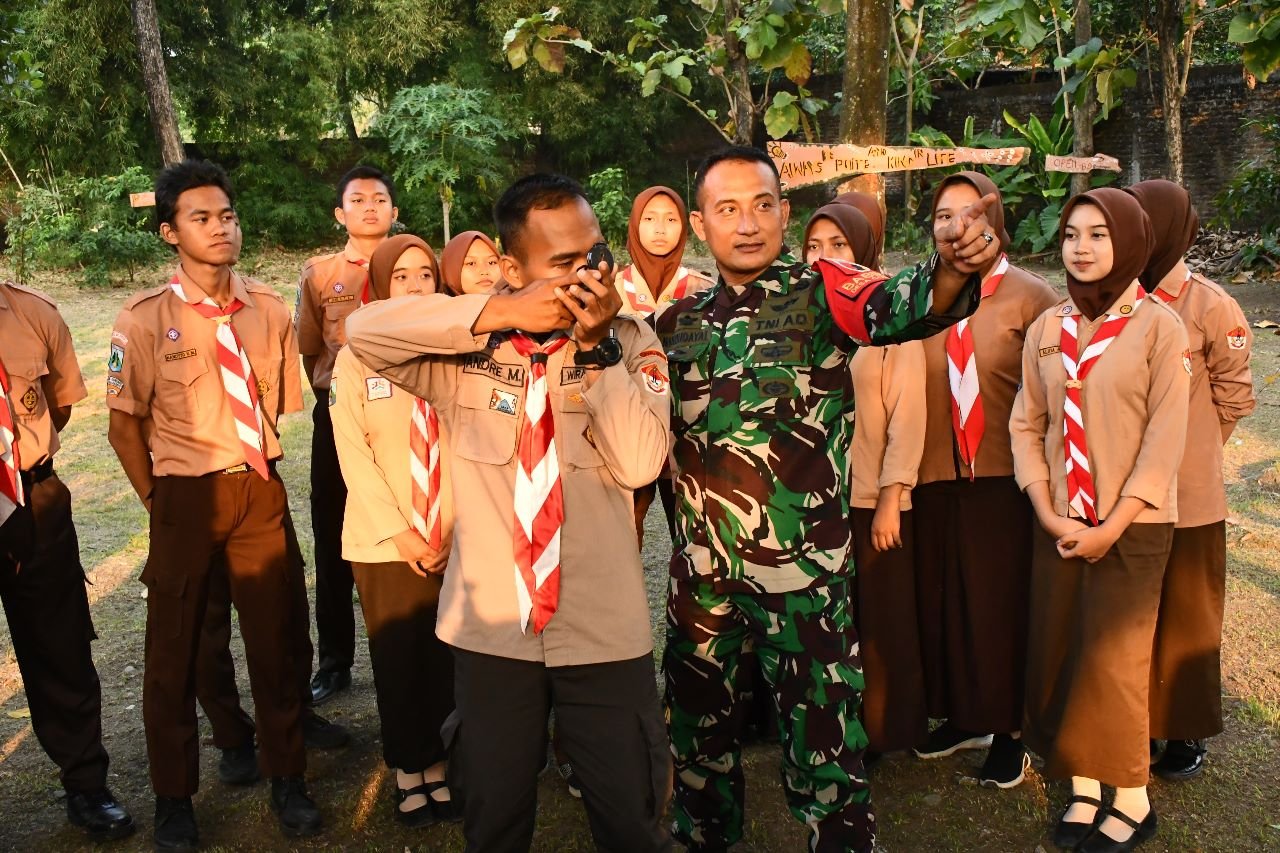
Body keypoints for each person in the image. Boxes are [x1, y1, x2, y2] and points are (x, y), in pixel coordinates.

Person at [656, 146, 1001, 853]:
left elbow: (898, 305)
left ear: (785, 212)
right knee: (697, 740)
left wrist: (951, 268)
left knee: (824, 747)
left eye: (762, 206)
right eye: (727, 209)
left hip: (803, 579)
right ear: (699, 223)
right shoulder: (676, 322)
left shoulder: (822, 293)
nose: (747, 224)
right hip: (703, 583)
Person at [346, 173, 673, 852]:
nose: (588, 275)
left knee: (631, 820)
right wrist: (498, 312)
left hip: (602, 628)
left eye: (595, 253)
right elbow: (362, 332)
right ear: (513, 268)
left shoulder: (630, 339)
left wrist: (598, 351)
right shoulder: (466, 348)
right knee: (494, 818)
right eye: (564, 262)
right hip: (494, 632)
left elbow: (642, 464)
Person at [106, 159, 321, 848]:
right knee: (174, 652)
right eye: (200, 218)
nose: (221, 227)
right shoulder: (144, 319)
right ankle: (175, 797)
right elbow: (123, 426)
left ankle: (288, 775)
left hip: (256, 485)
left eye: (227, 215)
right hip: (183, 494)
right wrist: (160, 501)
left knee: (276, 639)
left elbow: (276, 405)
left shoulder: (269, 309)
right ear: (170, 232)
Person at [1011, 188, 1190, 852]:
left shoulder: (1159, 328)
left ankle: (1133, 800)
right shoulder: (1047, 328)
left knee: (1114, 662)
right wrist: (1046, 510)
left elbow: (1164, 440)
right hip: (1059, 520)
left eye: (1098, 235)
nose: (1080, 248)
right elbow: (1026, 424)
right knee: (1061, 649)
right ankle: (1084, 787)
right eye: (1071, 234)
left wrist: (1111, 526)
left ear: (1131, 242)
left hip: (1133, 526)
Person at [910, 172, 1059, 787]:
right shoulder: (920, 295)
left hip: (1002, 478)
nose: (957, 227)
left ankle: (1010, 731)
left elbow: (1053, 398)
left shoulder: (1032, 297)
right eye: (943, 216)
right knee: (946, 602)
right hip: (933, 474)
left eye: (970, 213)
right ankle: (963, 714)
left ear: (995, 222)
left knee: (1000, 607)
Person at [1126, 179, 1255, 780]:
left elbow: (1234, 396)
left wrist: (1192, 452)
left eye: (1144, 222)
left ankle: (1184, 729)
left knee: (1187, 614)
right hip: (1123, 493)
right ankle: (1138, 720)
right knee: (1132, 614)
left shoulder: (1209, 305)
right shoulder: (1114, 297)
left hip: (1190, 496)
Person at [330, 234, 460, 825]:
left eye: (424, 274)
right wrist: (403, 533)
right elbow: (352, 455)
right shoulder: (356, 356)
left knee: (446, 656)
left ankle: (444, 763)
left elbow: (469, 444)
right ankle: (411, 770)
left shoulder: (455, 351)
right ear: (380, 286)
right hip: (385, 540)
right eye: (401, 276)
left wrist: (450, 526)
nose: (414, 285)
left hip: (451, 534)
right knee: (399, 659)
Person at [0, 279, 135, 842]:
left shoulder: (33, 313)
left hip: (32, 498)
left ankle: (86, 782)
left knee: (60, 644)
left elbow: (57, 406)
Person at [803, 205, 929, 756]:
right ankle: (829, 727)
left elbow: (908, 417)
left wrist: (890, 498)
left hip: (867, 498)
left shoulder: (888, 316)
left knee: (876, 620)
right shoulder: (795, 314)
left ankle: (879, 730)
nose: (824, 257)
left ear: (863, 249)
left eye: (838, 244)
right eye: (813, 245)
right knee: (824, 623)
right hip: (810, 499)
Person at [295, 165, 398, 704]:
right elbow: (312, 348)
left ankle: (411, 645)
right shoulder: (320, 274)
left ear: (394, 211)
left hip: (405, 417)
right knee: (333, 534)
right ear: (340, 214)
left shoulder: (414, 265)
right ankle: (335, 661)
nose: (369, 207)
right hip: (338, 416)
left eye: (379, 199)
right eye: (357, 200)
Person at [618, 187, 715, 547]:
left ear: (684, 227)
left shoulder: (703, 291)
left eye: (671, 219)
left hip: (687, 438)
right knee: (624, 537)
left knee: (693, 539)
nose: (660, 228)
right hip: (627, 436)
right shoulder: (611, 291)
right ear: (634, 224)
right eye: (650, 218)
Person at [440, 230, 503, 295]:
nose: (484, 272)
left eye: (491, 262)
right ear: (450, 272)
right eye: (471, 263)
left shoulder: (509, 298)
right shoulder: (437, 301)